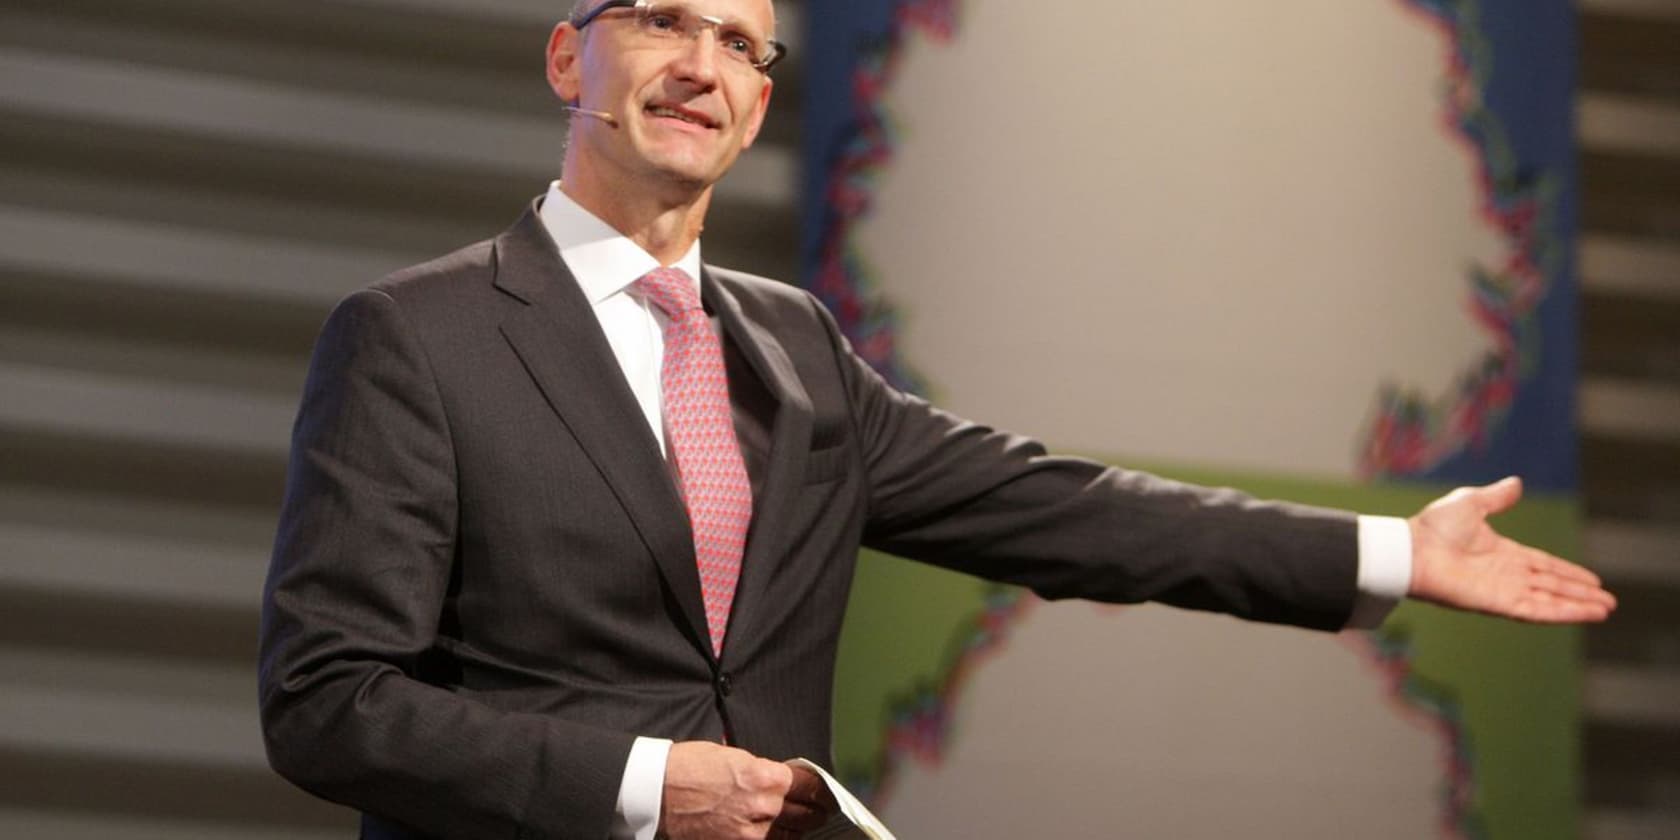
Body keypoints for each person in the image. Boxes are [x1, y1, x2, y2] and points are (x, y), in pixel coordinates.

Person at [256, 1, 1617, 839]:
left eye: (738, 42)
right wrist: (641, 784)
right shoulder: (415, 338)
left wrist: (1393, 557)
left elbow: (1068, 512)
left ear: (760, 104)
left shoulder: (793, 349)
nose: (699, 65)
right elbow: (330, 706)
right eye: (660, 21)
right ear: (570, 53)